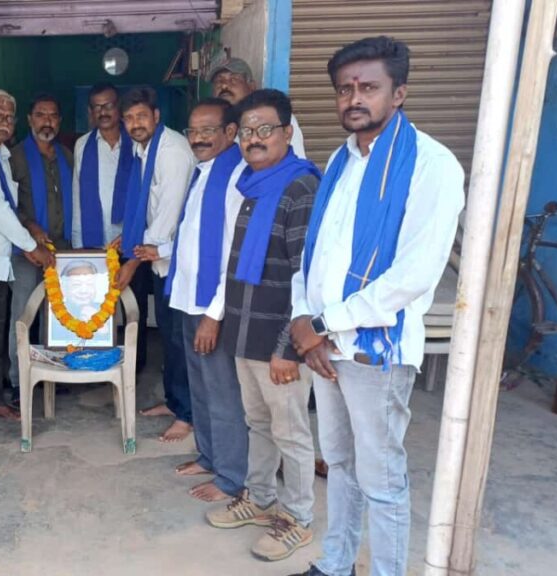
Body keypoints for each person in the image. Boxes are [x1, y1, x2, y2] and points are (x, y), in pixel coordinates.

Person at [288, 37, 465, 576]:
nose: (354, 98)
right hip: (324, 344)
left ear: (400, 92)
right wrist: (303, 319)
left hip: (372, 351)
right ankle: (336, 563)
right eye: (345, 89)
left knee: (382, 478)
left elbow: (414, 277)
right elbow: (313, 255)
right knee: (339, 464)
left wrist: (321, 325)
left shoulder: (432, 166)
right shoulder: (340, 161)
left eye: (368, 87)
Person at [209, 89, 320, 562]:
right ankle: (259, 498)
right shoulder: (251, 187)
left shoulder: (300, 188)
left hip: (280, 339)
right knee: (258, 422)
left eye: (265, 129)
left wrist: (288, 348)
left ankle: (298, 518)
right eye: (247, 131)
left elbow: (306, 277)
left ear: (287, 132)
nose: (255, 139)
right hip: (244, 331)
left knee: (290, 431)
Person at [146, 97, 244, 501]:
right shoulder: (204, 172)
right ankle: (209, 456)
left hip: (210, 307)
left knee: (222, 395)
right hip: (187, 299)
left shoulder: (236, 177)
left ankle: (232, 477)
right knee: (201, 389)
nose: (199, 138)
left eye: (208, 130)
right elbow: (193, 240)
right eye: (193, 131)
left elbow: (233, 255)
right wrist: (162, 254)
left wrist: (214, 316)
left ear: (230, 133)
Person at [0, 89, 52, 430]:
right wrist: (31, 246)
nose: (3, 122)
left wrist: (28, 231)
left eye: (8, 117)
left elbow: (9, 207)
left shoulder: (0, 153)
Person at [117, 86, 195, 443]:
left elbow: (169, 211)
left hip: (176, 257)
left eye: (142, 117)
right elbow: (146, 206)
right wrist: (132, 239)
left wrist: (133, 260)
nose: (136, 124)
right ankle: (174, 401)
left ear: (157, 116)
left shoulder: (173, 151)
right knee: (169, 333)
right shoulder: (142, 149)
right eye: (130, 118)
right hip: (160, 256)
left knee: (180, 339)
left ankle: (188, 415)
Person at [72, 82, 151, 374]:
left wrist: (135, 233)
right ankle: (95, 360)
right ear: (90, 112)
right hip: (95, 241)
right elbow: (78, 195)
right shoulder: (83, 145)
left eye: (109, 105)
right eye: (97, 107)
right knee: (93, 305)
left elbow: (147, 195)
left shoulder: (139, 143)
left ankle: (135, 364)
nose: (103, 112)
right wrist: (80, 244)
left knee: (134, 306)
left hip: (130, 241)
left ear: (119, 108)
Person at [8, 94, 74, 381]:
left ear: (59, 121)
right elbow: (6, 205)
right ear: (29, 120)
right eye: (40, 114)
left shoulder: (67, 156)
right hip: (26, 249)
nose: (47, 121)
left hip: (62, 249)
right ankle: (17, 378)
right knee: (23, 314)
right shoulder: (15, 157)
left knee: (58, 315)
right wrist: (30, 227)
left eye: (52, 115)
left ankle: (55, 376)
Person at [208, 57, 307, 158]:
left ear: (252, 86)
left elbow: (295, 162)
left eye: (233, 79)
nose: (224, 86)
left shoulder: (277, 118)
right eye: (218, 81)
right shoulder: (208, 126)